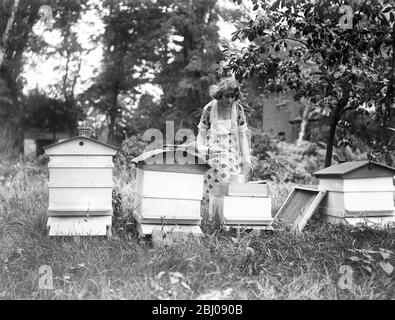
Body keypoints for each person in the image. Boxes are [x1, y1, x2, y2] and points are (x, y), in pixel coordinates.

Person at [196, 77, 254, 201]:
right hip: (212, 156)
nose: (230, 100)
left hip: (232, 157)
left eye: (233, 96)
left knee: (231, 189)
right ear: (220, 94)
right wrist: (202, 152)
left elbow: (243, 136)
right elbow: (201, 134)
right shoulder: (209, 108)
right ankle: (210, 214)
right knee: (210, 191)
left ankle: (227, 215)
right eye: (227, 96)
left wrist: (247, 161)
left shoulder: (238, 109)